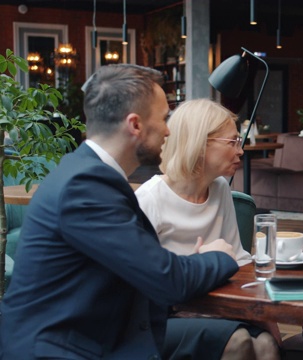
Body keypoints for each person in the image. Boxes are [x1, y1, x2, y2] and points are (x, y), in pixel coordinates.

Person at [0, 64, 240, 359]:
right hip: (62, 350)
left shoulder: (89, 174)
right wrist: (219, 256)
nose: (168, 130)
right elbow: (168, 280)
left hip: (96, 337)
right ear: (135, 125)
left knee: (243, 340)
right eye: (164, 118)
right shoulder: (85, 186)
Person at [135, 98, 280, 360]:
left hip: (218, 309)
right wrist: (199, 262)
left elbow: (239, 257)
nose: (241, 151)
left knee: (267, 345)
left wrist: (269, 319)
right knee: (238, 341)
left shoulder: (220, 188)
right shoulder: (149, 199)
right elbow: (142, 284)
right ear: (200, 143)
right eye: (233, 141)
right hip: (161, 318)